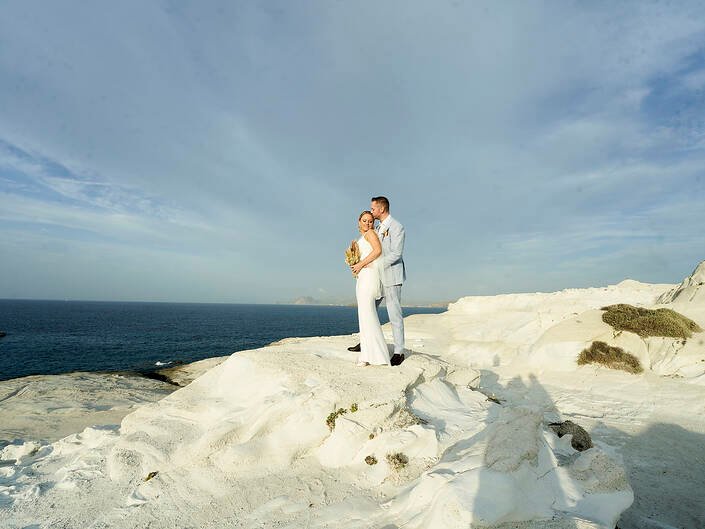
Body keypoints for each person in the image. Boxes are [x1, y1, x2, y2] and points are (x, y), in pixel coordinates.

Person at [350, 196, 406, 365]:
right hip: (375, 277)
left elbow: (396, 253)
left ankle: (399, 352)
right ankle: (367, 343)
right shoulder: (377, 227)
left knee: (394, 313)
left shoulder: (397, 227)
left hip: (391, 275)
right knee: (369, 309)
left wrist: (374, 264)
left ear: (381, 209)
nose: (372, 212)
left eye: (373, 209)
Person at [349, 211, 390, 366]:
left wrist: (360, 264)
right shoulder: (363, 236)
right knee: (365, 315)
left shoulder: (371, 233)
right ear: (359, 221)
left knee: (368, 315)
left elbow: (378, 251)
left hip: (369, 277)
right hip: (363, 276)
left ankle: (374, 356)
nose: (367, 223)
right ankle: (369, 354)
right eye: (364, 221)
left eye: (371, 221)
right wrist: (356, 265)